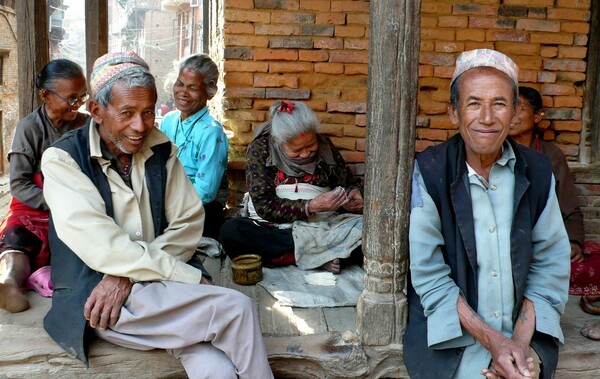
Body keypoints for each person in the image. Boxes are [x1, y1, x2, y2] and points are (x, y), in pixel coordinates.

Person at [41, 52, 273, 378]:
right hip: (99, 299)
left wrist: (128, 274)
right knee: (237, 309)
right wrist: (178, 274)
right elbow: (103, 248)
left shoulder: (159, 147)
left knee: (215, 367)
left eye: (148, 112)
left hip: (148, 287)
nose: (140, 125)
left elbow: (189, 223)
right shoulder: (63, 159)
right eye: (127, 113)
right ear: (96, 110)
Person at [403, 49, 570, 379]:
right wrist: (494, 342)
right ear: (454, 113)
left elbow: (550, 261)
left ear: (513, 113)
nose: (487, 117)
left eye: (500, 104)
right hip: (456, 336)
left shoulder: (536, 170)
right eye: (474, 103)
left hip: (526, 331)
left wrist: (520, 345)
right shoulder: (432, 170)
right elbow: (429, 274)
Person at [220, 101, 364, 274]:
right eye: (296, 150)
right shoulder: (262, 148)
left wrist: (353, 195)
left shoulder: (325, 146)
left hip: (323, 228)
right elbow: (264, 205)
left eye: (311, 145)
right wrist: (310, 206)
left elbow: (347, 183)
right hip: (278, 230)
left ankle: (306, 255)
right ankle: (311, 257)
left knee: (369, 231)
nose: (305, 154)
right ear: (278, 142)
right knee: (231, 232)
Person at [0, 59, 88, 313]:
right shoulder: (29, 127)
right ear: (46, 95)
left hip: (75, 205)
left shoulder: (84, 125)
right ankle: (9, 283)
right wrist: (53, 203)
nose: (78, 104)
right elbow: (19, 184)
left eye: (81, 96)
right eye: (71, 98)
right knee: (17, 239)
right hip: (34, 206)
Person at [509, 86, 584, 262]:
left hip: (541, 238)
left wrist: (574, 242)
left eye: (519, 108)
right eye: (508, 108)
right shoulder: (494, 152)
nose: (512, 115)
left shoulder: (550, 155)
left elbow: (570, 208)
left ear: (537, 116)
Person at [160, 54, 228, 239]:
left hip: (199, 212)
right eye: (180, 84)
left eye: (193, 88)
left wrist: (167, 209)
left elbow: (205, 193)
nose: (183, 92)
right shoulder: (168, 121)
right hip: (167, 203)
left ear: (209, 92)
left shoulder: (211, 132)